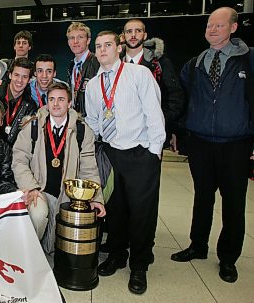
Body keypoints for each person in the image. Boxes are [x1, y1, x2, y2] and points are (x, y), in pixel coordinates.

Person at [170, 7, 252, 284]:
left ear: (233, 27)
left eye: (219, 25)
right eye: (209, 25)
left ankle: (228, 258)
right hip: (201, 142)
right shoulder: (194, 64)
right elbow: (181, 100)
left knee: (233, 202)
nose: (213, 30)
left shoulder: (249, 60)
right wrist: (178, 133)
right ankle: (198, 245)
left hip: (236, 144)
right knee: (202, 197)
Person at [84, 31, 165, 295]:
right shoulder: (94, 84)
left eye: (108, 44)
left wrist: (154, 152)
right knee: (115, 208)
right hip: (111, 153)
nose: (103, 49)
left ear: (118, 48)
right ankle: (117, 255)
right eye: (98, 46)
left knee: (142, 212)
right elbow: (94, 121)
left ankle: (139, 265)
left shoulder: (139, 74)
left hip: (140, 153)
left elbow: (154, 112)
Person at [12, 82, 105, 256]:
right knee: (38, 215)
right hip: (39, 191)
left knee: (55, 248)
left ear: (69, 103)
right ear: (46, 102)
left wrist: (97, 198)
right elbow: (19, 160)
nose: (55, 104)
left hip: (66, 196)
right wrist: (31, 187)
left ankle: (45, 248)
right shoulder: (32, 126)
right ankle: (27, 256)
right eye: (52, 99)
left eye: (61, 99)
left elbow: (89, 168)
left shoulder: (82, 131)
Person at [121, 18, 185, 151]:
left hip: (150, 138)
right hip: (121, 137)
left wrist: (161, 121)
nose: (133, 35)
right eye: (129, 31)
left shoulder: (160, 63)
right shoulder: (115, 64)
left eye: (138, 31)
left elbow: (175, 97)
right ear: (123, 36)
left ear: (145, 35)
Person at [0, 57, 37, 146]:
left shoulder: (30, 106)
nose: (20, 80)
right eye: (16, 75)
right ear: (10, 75)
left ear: (29, 80)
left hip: (12, 154)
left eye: (24, 77)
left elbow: (27, 138)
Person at [66, 22, 100, 116]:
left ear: (88, 40)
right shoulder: (71, 66)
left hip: (92, 118)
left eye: (80, 37)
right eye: (72, 38)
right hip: (76, 117)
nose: (75, 41)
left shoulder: (97, 62)